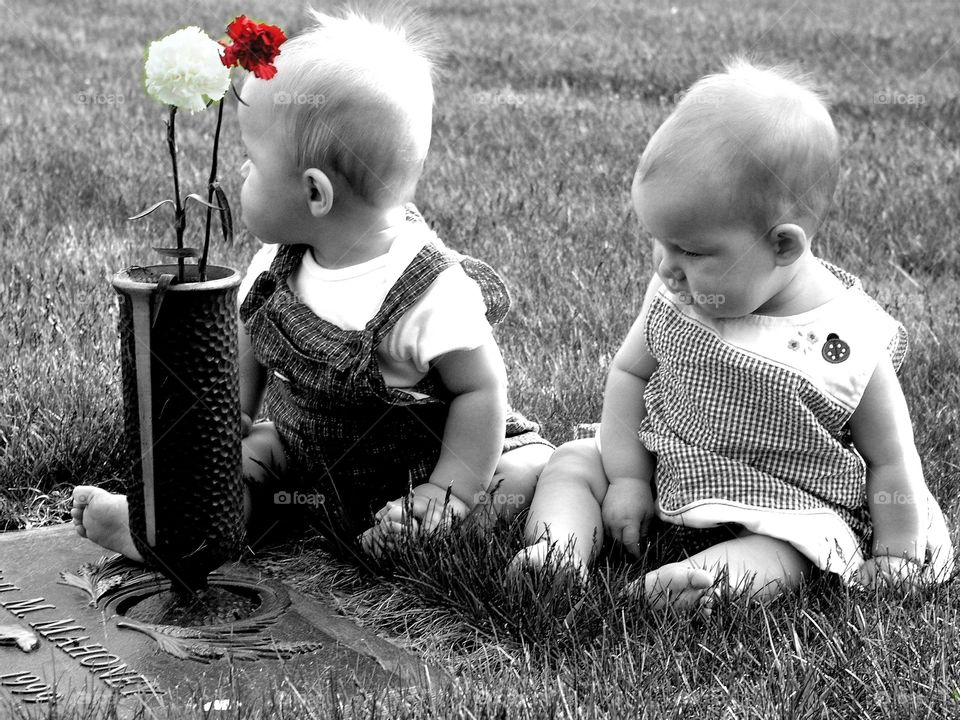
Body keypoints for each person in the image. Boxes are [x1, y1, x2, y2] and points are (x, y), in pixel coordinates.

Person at [72, 7, 553, 562]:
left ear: (315, 194)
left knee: (519, 474)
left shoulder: (428, 289)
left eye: (252, 161)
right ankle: (175, 529)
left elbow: (481, 390)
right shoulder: (278, 264)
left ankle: (428, 527)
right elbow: (247, 346)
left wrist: (449, 492)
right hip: (307, 458)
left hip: (422, 464)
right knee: (245, 463)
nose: (244, 174)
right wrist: (236, 419)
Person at [509, 59, 954, 615]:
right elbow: (629, 372)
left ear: (783, 246)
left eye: (691, 251)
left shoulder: (845, 343)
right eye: (661, 243)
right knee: (574, 460)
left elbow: (892, 460)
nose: (667, 267)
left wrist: (899, 554)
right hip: (672, 455)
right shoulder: (681, 291)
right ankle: (557, 552)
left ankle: (703, 582)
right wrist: (625, 476)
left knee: (796, 549)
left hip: (786, 495)